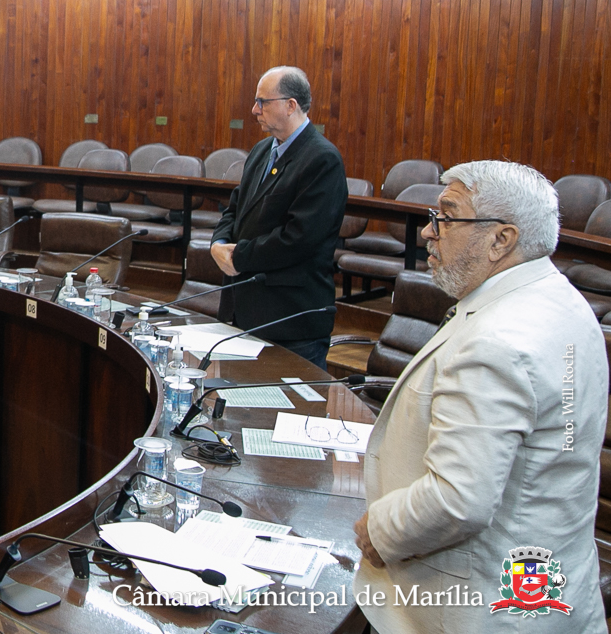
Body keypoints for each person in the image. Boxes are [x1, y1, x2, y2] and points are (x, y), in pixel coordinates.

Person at [353, 161, 607, 633]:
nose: (428, 232)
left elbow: (457, 500)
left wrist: (379, 530)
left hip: (480, 604)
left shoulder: (499, 340)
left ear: (501, 240)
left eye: (446, 218)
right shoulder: (562, 300)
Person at [209, 66, 347, 369]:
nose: (254, 109)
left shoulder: (322, 159)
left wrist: (239, 256)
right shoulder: (261, 150)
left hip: (290, 320)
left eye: (263, 102)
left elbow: (299, 238)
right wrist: (218, 242)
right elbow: (235, 208)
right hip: (246, 311)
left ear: (290, 105)